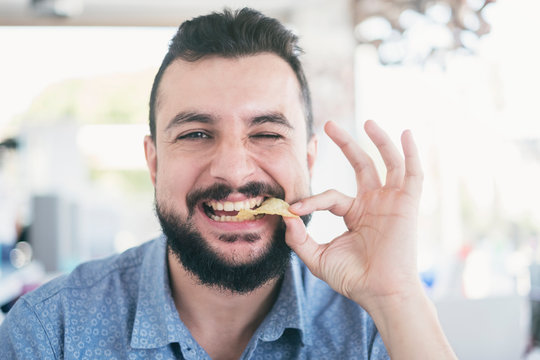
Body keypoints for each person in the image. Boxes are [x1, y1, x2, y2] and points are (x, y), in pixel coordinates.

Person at [0, 8, 456, 360]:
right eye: (196, 134)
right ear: (154, 162)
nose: (235, 173)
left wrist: (397, 296)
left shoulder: (377, 324)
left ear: (309, 159)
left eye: (267, 134)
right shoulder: (50, 331)